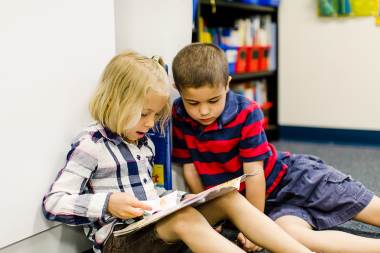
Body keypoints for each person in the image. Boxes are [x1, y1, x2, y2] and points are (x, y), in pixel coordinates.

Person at [42, 51, 313, 253]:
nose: (150, 123)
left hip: (153, 225)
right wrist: (108, 203)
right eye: (143, 114)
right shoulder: (91, 145)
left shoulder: (142, 141)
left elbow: (149, 193)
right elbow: (53, 202)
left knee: (227, 197)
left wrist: (186, 198)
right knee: (185, 219)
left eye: (155, 114)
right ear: (115, 102)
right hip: (120, 239)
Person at [171, 42, 380, 253]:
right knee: (294, 238)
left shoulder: (247, 112)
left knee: (374, 211)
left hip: (297, 179)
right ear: (177, 91)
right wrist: (208, 213)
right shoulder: (178, 114)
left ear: (227, 84)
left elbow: (254, 173)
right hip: (270, 205)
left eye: (213, 100)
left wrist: (253, 224)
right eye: (193, 103)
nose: (204, 111)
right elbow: (190, 168)